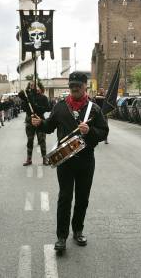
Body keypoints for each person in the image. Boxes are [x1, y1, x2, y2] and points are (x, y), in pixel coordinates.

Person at [31, 71, 109, 252]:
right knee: (65, 198)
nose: (74, 89)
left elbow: (103, 132)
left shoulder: (94, 109)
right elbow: (49, 127)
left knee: (82, 198)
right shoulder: (60, 107)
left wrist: (89, 131)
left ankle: (78, 230)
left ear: (85, 87)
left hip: (86, 161)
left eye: (78, 86)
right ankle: (61, 236)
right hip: (65, 161)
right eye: (72, 86)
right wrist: (39, 123)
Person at [20, 82, 51, 166]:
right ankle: (29, 159)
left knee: (42, 140)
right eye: (31, 86)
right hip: (30, 121)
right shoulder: (28, 97)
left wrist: (37, 107)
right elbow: (23, 108)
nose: (34, 87)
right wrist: (26, 101)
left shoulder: (43, 97)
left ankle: (45, 158)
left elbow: (48, 108)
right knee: (30, 140)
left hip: (40, 121)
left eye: (35, 86)